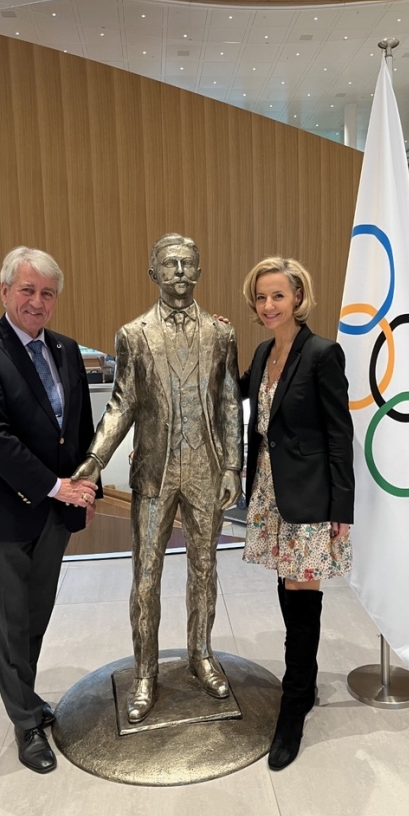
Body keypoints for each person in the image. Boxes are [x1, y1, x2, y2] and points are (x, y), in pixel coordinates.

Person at [72, 233, 243, 723]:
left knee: (205, 569)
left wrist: (232, 465)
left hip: (206, 471)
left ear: (200, 272)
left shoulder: (221, 334)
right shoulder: (133, 335)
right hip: (154, 473)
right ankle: (145, 673)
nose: (180, 272)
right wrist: (95, 459)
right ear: (153, 273)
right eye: (170, 264)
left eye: (188, 263)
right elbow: (122, 403)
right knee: (146, 576)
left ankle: (201, 656)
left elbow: (229, 402)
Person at [0, 246, 100, 774]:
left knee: (36, 613)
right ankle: (25, 722)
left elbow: (79, 427)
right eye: (27, 290)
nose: (37, 302)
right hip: (2, 512)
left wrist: (87, 481)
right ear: (5, 292)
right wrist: (57, 487)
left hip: (55, 514)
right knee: (9, 620)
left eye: (47, 293)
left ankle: (27, 699)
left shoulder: (66, 349)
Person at [240, 257, 354, 771]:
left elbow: (339, 435)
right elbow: (238, 392)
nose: (268, 305)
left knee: (302, 592)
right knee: (287, 585)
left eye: (278, 296)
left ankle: (294, 706)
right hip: (269, 487)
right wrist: (216, 343)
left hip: (309, 492)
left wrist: (342, 505)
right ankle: (302, 686)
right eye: (261, 297)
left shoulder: (323, 353)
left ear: (298, 297)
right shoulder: (264, 351)